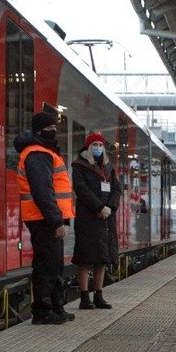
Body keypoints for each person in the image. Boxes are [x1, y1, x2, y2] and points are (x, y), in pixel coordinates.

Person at [16, 108, 74, 325]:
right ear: (39, 130)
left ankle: (56, 307)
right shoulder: (36, 153)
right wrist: (56, 220)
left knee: (55, 264)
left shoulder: (45, 152)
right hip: (43, 219)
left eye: (54, 128)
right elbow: (43, 191)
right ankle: (42, 311)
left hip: (46, 218)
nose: (54, 131)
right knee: (47, 265)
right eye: (50, 128)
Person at [71, 132, 120, 310]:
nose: (98, 148)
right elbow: (81, 190)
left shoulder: (108, 167)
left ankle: (98, 295)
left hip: (106, 218)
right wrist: (99, 207)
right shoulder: (79, 165)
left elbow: (117, 190)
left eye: (100, 144)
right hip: (88, 218)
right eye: (95, 145)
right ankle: (84, 297)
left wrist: (110, 208)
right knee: (84, 258)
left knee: (102, 258)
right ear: (88, 147)